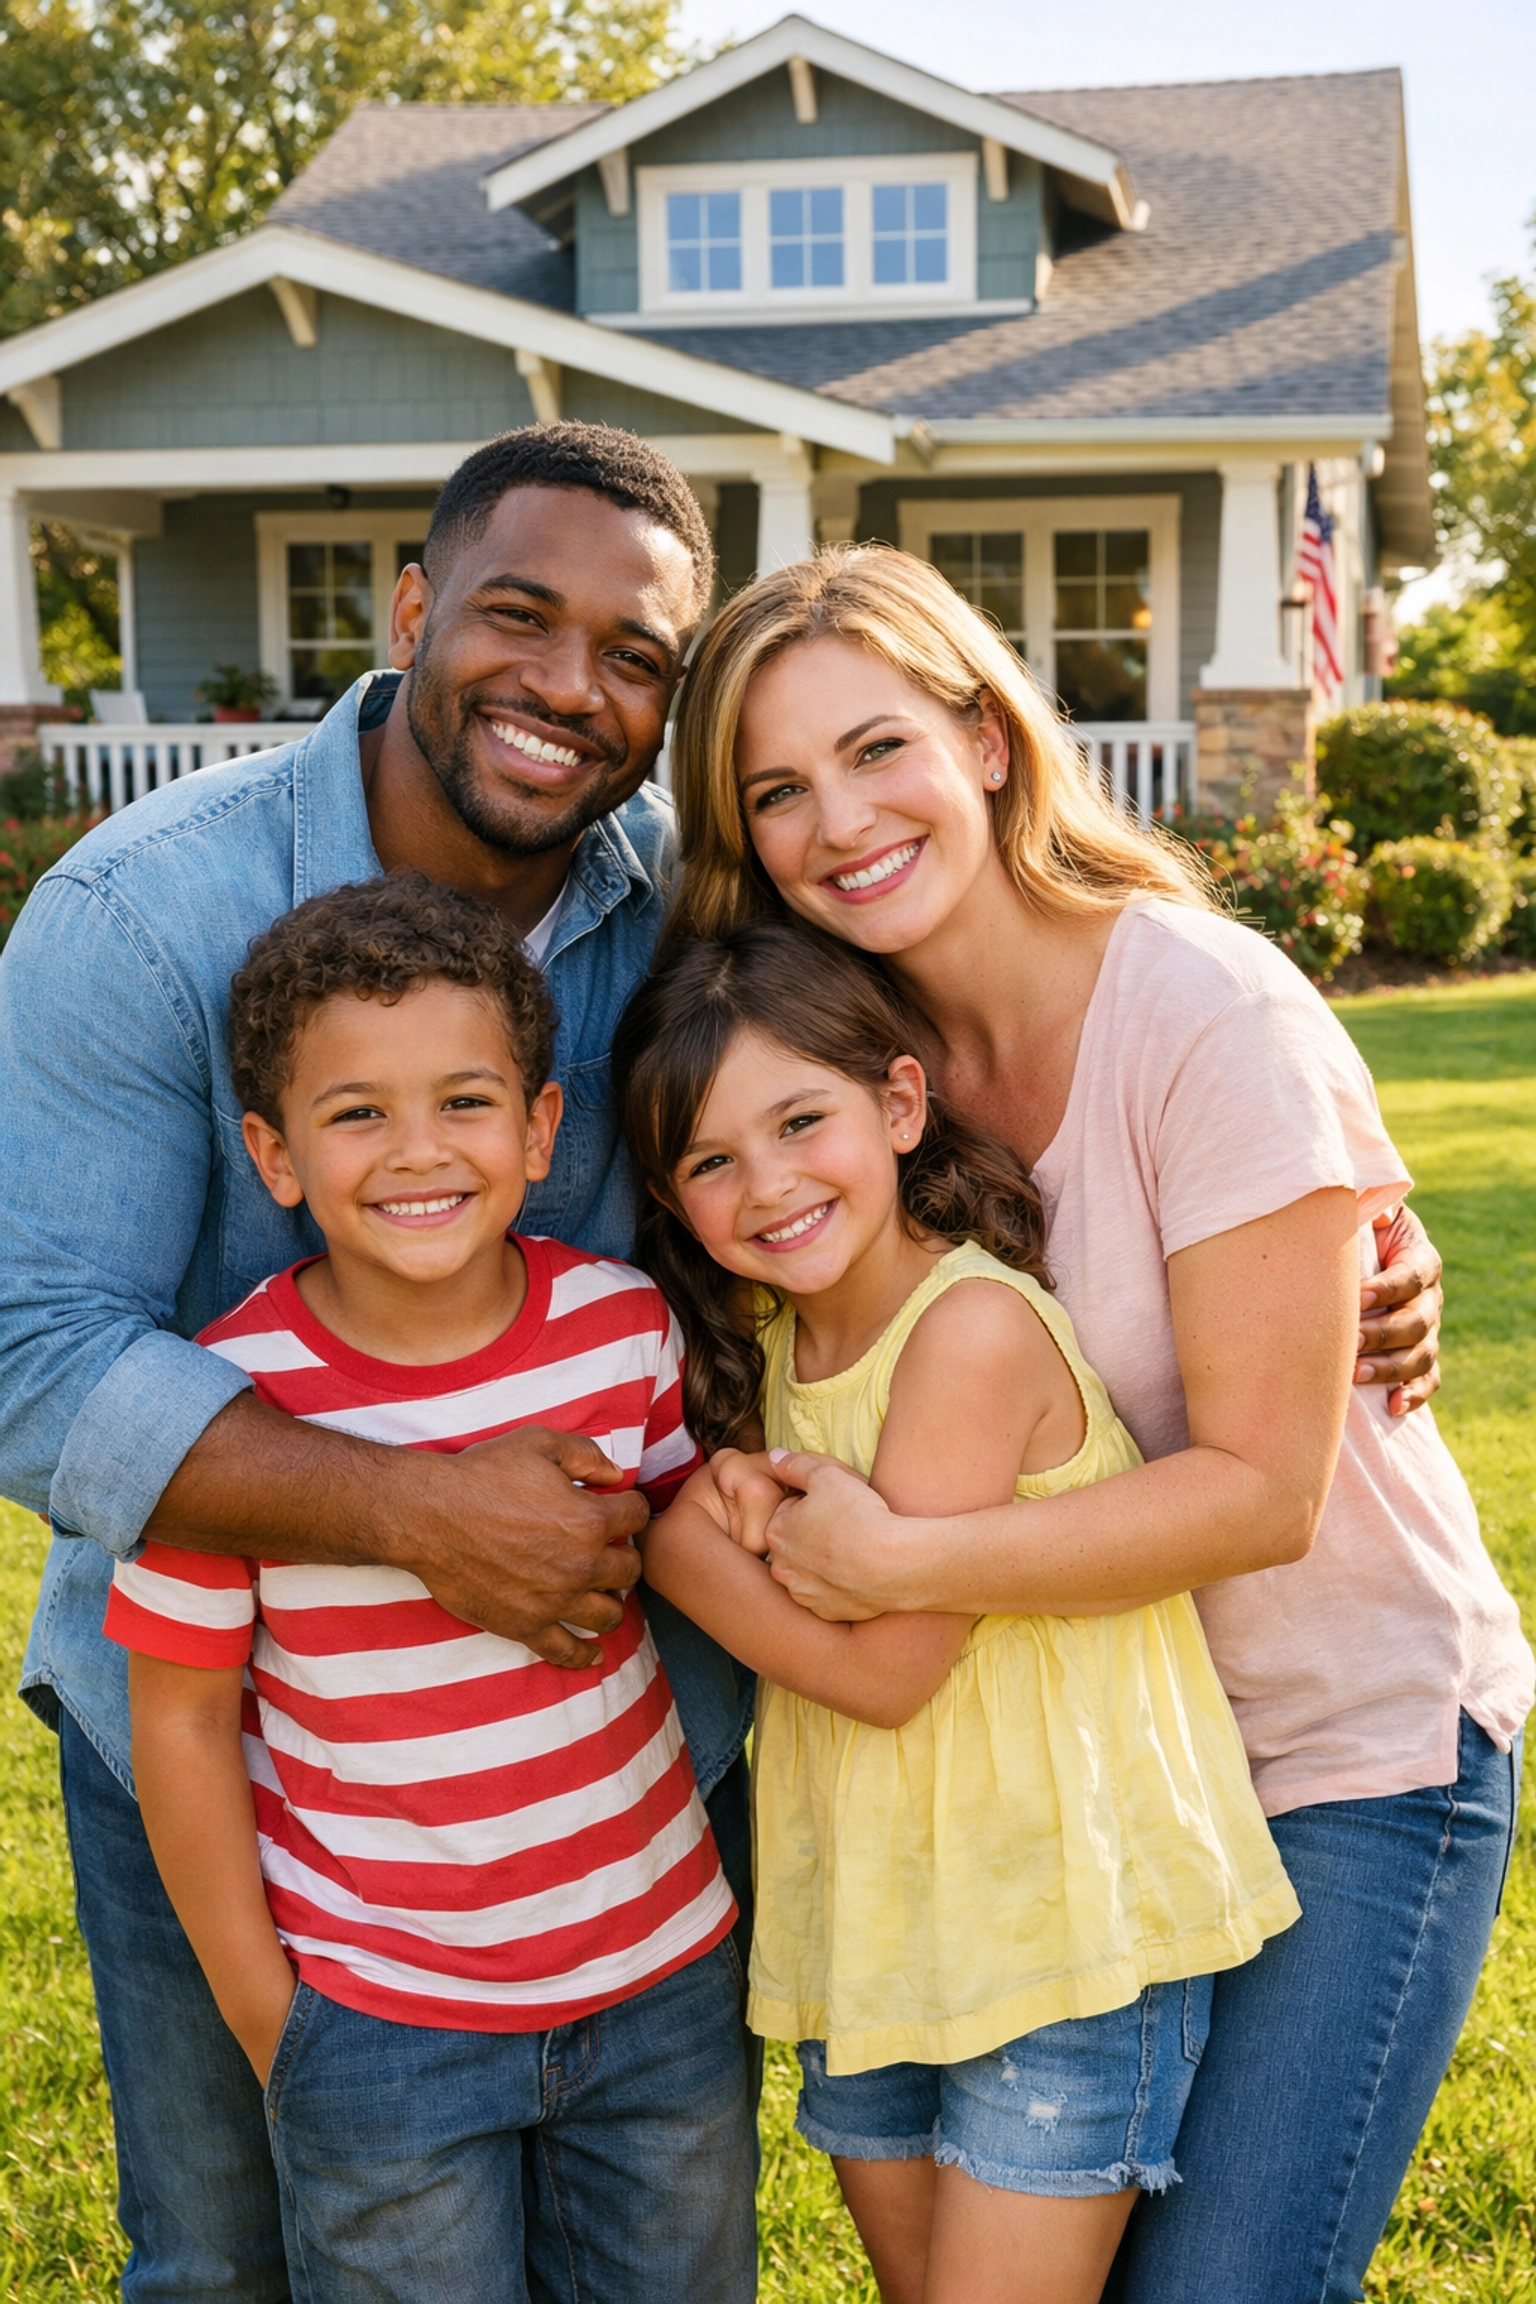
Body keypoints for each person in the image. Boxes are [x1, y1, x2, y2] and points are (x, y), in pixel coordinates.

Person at [662, 545, 1534, 2304]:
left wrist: (899, 1561)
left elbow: (1264, 1494)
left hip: (1334, 1754)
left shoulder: (1207, 1010)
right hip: (1077, 1781)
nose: (841, 820)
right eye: (778, 790)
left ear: (987, 741)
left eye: (878, 748)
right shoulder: (839, 1056)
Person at [0, 422, 755, 2302]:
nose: (568, 686)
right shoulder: (143, 913)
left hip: (584, 1782)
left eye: (635, 656)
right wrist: (419, 1511)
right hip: (212, 1739)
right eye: (518, 615)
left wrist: (1306, 1196)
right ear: (412, 610)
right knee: (232, 2262)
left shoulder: (689, 904)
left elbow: (941, 1037)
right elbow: (29, 1355)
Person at [612, 917, 1301, 2304]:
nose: (770, 1184)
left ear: (900, 1105)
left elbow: (889, 1673)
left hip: (1053, 1928)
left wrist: (673, 1541)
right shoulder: (773, 1346)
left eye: (801, 1122)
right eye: (712, 1161)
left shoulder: (967, 1333)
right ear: (673, 1200)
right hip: (880, 1926)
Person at [104, 875, 752, 2303]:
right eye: (356, 1113)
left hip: (660, 1985)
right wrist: (276, 2025)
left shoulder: (620, 1329)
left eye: (465, 1102)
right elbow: (181, 1723)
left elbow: (698, 1551)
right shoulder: (234, 1411)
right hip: (381, 2019)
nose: (418, 1151)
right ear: (273, 1155)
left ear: (540, 1129)